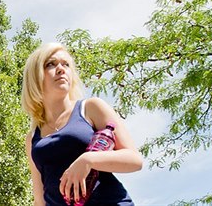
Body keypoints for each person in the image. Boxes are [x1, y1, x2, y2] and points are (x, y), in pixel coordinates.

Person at [21, 42, 143, 205]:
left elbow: (134, 160)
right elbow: (40, 199)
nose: (61, 69)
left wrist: (88, 160)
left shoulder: (91, 108)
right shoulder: (32, 139)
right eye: (51, 64)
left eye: (66, 64)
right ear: (35, 77)